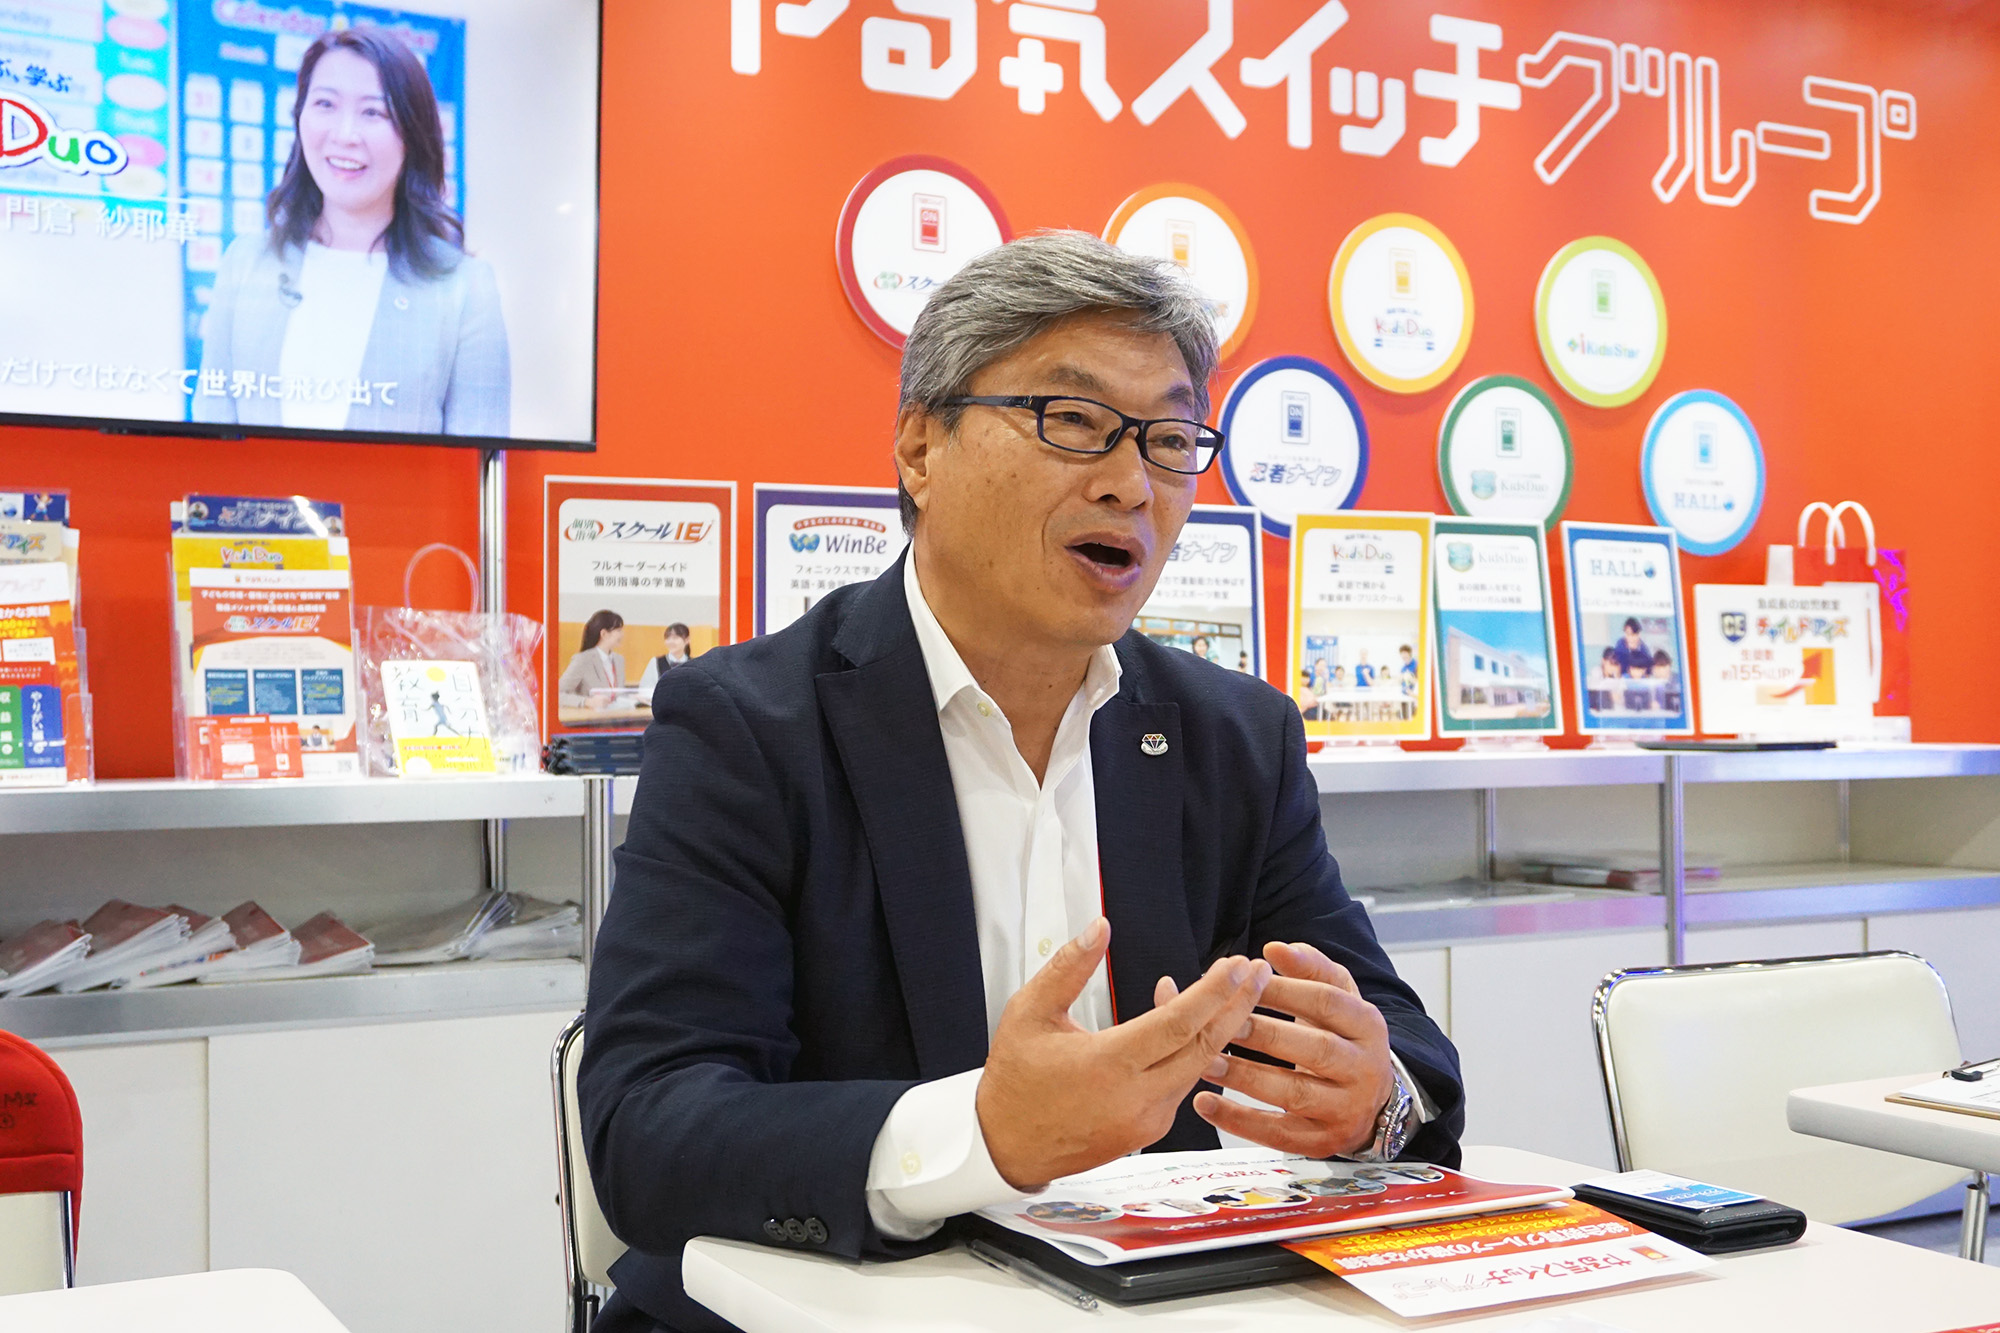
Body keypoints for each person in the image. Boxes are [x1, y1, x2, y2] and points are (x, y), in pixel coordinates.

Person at [579, 232, 1462, 1333]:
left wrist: (1372, 1099)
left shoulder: (1236, 737)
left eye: (1170, 439)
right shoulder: (746, 726)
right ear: (921, 447)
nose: (1131, 483)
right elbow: (649, 1125)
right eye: (1073, 420)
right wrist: (981, 1134)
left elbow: (1397, 1045)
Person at [193, 26, 510, 438]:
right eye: (325, 104)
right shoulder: (245, 262)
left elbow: (479, 459)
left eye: (373, 112)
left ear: (412, 135)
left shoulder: (464, 288)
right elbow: (211, 436)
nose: (344, 135)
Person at [558, 610, 625, 709]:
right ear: (604, 634)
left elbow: (617, 695)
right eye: (618, 630)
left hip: (616, 716)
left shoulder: (619, 660)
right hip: (590, 717)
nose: (622, 634)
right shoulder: (583, 660)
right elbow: (557, 694)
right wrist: (587, 702)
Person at [638, 623, 693, 692]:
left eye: (675, 638)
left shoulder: (694, 663)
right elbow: (645, 688)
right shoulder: (655, 662)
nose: (670, 641)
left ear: (687, 640)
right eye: (667, 638)